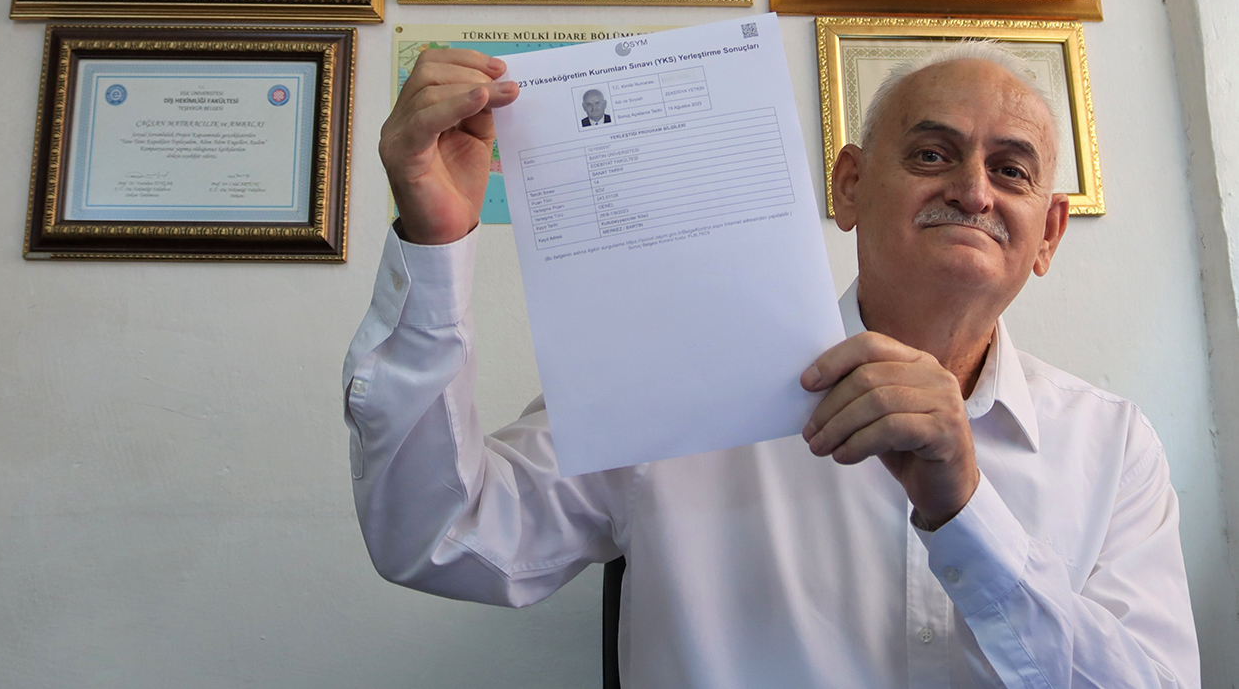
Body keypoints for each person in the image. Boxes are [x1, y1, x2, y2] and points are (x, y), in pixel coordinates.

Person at [347, 41, 1200, 687]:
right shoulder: (677, 385)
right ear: (849, 186)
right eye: (932, 155)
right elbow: (440, 534)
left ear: (1048, 232)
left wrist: (967, 512)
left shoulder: (1114, 446)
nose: (973, 190)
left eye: (1010, 170)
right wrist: (435, 240)